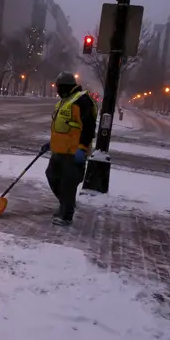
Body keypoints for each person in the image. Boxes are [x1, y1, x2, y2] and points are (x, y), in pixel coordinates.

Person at [38, 72, 98, 226]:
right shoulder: (65, 101)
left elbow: (89, 127)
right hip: (59, 150)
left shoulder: (82, 100)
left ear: (65, 87)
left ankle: (66, 215)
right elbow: (63, 128)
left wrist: (82, 148)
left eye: (58, 87)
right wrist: (51, 143)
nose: (57, 90)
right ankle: (66, 203)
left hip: (73, 153)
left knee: (68, 183)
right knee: (52, 176)